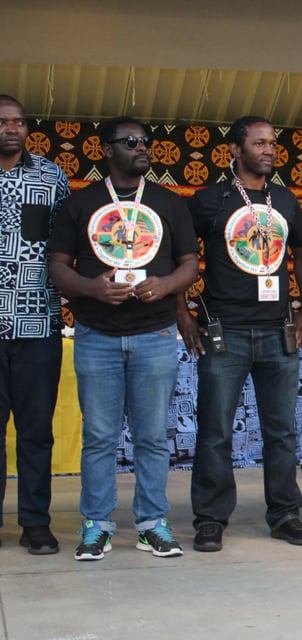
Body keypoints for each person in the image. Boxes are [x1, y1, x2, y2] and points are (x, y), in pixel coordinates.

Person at [48, 116, 199, 561]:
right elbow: (57, 266)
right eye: (131, 142)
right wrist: (91, 288)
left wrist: (167, 285)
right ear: (107, 149)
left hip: (155, 333)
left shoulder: (170, 203)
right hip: (96, 335)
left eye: (145, 141)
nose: (142, 147)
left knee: (152, 437)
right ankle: (96, 525)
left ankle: (152, 524)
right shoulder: (80, 203)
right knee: (99, 436)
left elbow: (190, 263)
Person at [177, 115, 302, 552]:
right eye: (259, 143)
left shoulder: (285, 200)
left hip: (278, 332)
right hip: (225, 333)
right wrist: (182, 312)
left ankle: (285, 514)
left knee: (281, 432)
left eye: (273, 143)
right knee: (215, 431)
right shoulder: (210, 200)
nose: (270, 150)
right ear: (235, 150)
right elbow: (178, 253)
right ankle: (210, 519)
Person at [0, 95, 70, 555]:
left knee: (35, 432)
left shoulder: (50, 176)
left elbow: (66, 243)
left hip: (36, 324)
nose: (13, 129)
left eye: (19, 122)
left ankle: (35, 523)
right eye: (3, 122)